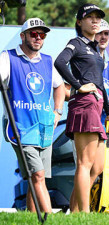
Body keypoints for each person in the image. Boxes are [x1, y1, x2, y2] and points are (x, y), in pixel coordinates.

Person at [0, 18, 65, 213]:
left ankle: (30, 217)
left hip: (44, 127)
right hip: (20, 127)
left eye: (42, 35)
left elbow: (60, 86)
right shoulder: (8, 57)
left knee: (37, 177)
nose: (38, 38)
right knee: (37, 176)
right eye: (33, 34)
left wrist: (57, 111)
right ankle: (47, 219)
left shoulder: (47, 60)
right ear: (23, 36)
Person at [54, 3, 109, 213]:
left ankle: (75, 212)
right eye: (90, 17)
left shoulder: (95, 49)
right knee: (85, 164)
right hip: (84, 105)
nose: (95, 21)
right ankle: (85, 215)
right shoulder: (76, 43)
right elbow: (60, 62)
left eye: (98, 17)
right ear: (80, 22)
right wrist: (79, 86)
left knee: (96, 167)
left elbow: (98, 81)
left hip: (97, 109)